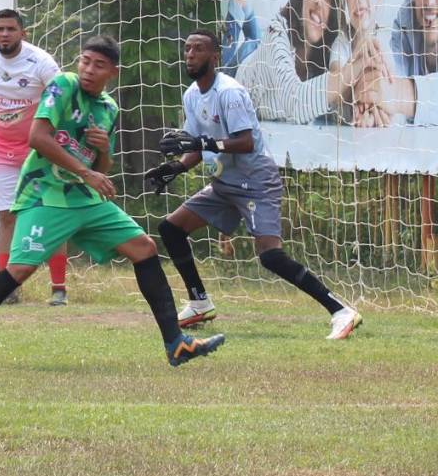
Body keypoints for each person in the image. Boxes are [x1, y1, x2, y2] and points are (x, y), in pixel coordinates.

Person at [0, 36, 225, 369]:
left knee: (144, 248)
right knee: (20, 270)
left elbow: (100, 168)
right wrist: (86, 174)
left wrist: (102, 150)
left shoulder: (109, 109)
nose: (89, 70)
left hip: (83, 197)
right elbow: (37, 137)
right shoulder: (62, 86)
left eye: (98, 65)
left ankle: (176, 343)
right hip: (44, 192)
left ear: (113, 72)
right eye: (85, 61)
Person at [147, 29, 362, 341]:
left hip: (255, 180)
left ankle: (341, 310)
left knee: (270, 256)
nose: (190, 54)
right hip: (223, 182)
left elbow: (245, 142)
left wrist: (203, 142)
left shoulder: (229, 92)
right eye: (187, 49)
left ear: (214, 56)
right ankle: (199, 302)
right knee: (170, 229)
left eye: (198, 49)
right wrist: (176, 167)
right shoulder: (192, 95)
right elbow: (197, 146)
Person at [0, 9, 68, 305]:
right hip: (0, 148)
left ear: (22, 33)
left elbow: (63, 94)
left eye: (10, 29)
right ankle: (7, 289)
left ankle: (59, 288)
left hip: (39, 149)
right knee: (6, 215)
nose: (4, 34)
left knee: (51, 213)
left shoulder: (41, 63)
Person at [237, 0, 372, 124]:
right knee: (247, 38)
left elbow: (339, 103)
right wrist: (357, 65)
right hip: (241, 82)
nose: (318, 1)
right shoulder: (276, 33)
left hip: (274, 125)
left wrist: (366, 109)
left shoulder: (327, 52)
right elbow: (296, 103)